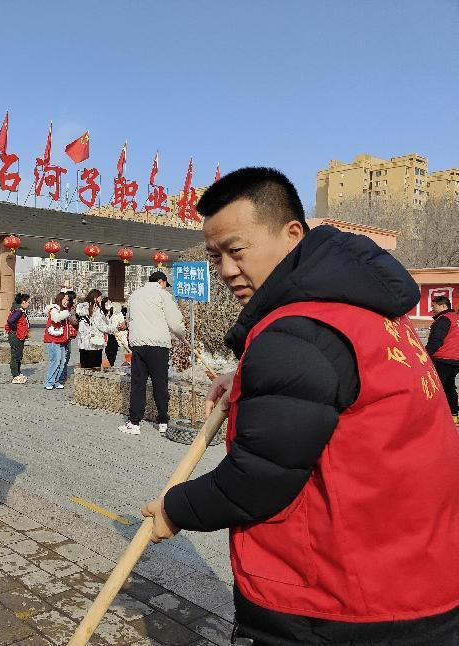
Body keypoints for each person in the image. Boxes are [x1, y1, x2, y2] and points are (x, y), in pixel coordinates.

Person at [141, 167, 459, 645]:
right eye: (215, 256)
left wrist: (176, 509)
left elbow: (257, 480)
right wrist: (246, 376)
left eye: (237, 250)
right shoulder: (367, 311)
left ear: (292, 234)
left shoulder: (296, 333)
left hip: (337, 603)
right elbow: (332, 384)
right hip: (421, 581)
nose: (226, 270)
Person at [118, 271, 185, 436]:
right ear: (161, 282)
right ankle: (163, 421)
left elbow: (130, 319)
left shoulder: (134, 296)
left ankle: (134, 422)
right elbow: (175, 323)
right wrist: (182, 335)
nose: (165, 287)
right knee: (160, 383)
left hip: (139, 345)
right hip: (158, 345)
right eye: (165, 284)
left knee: (138, 383)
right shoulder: (164, 296)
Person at [426, 295, 459, 424]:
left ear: (443, 306)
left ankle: (431, 415)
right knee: (449, 386)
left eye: (434, 306)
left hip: (443, 358)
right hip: (455, 359)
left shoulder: (444, 319)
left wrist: (424, 355)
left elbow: (436, 341)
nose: (432, 309)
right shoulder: (455, 318)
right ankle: (453, 414)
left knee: (434, 386)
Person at [75, 289, 116, 369]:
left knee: (85, 367)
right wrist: (116, 328)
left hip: (83, 343)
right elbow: (102, 326)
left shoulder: (82, 308)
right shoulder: (95, 310)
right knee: (95, 368)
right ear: (95, 298)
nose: (101, 299)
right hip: (95, 343)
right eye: (100, 297)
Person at [43, 292, 71, 390]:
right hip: (53, 340)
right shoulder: (54, 309)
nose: (67, 302)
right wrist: (67, 312)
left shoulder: (63, 310)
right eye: (65, 299)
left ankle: (56, 381)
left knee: (62, 362)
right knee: (55, 361)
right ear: (60, 299)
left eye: (68, 300)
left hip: (62, 340)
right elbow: (56, 318)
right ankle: (49, 382)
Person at [5, 293, 31, 384]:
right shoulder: (18, 311)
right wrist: (15, 329)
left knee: (18, 355)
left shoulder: (19, 310)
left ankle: (18, 373)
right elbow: (10, 321)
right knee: (16, 356)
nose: (29, 304)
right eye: (28, 302)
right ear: (23, 302)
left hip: (18, 336)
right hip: (16, 336)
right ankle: (15, 375)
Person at [101, 297, 125, 367]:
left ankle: (111, 366)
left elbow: (122, 323)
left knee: (112, 354)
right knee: (105, 354)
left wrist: (119, 327)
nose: (108, 305)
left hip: (114, 336)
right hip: (104, 336)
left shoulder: (117, 313)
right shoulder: (101, 313)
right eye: (106, 303)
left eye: (109, 303)